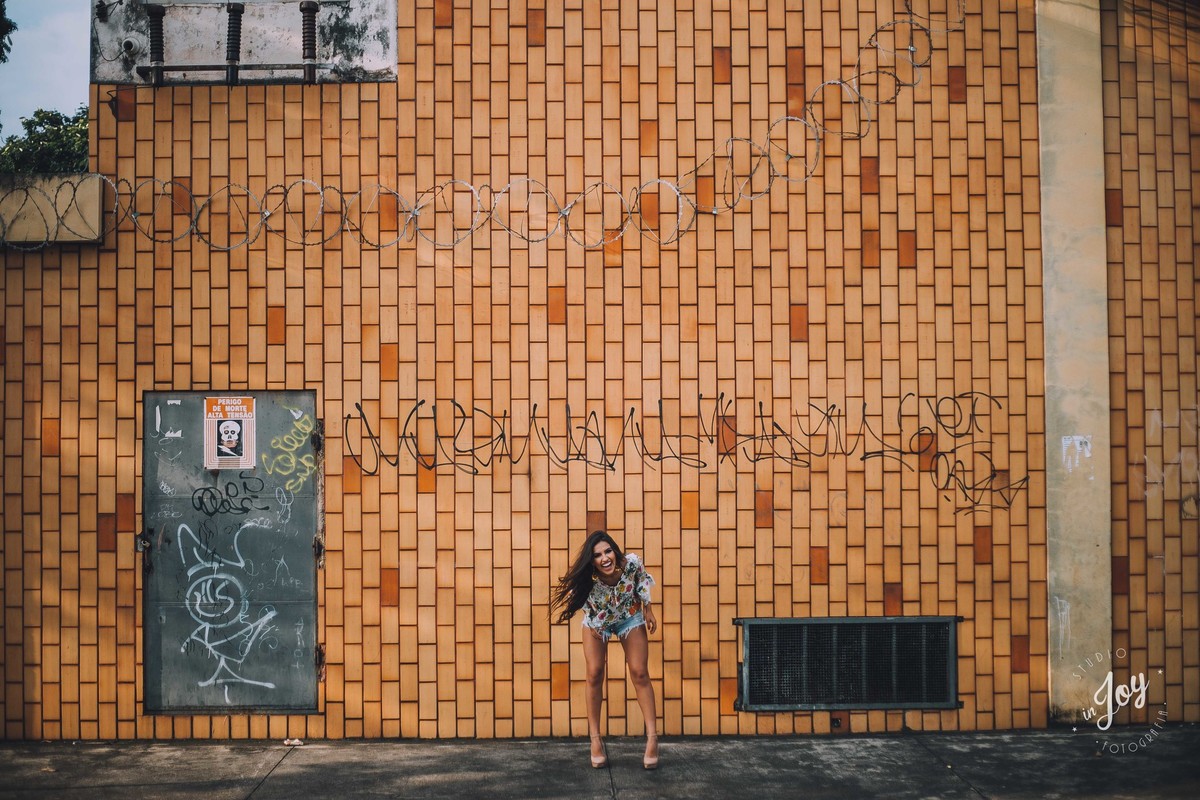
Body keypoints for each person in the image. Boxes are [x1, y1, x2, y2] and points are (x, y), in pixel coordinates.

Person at [550, 530, 659, 770]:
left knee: (640, 672)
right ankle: (595, 740)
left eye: (607, 551)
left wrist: (648, 610)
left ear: (614, 550)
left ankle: (652, 738)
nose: (604, 558)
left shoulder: (631, 563)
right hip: (597, 621)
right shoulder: (588, 579)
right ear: (592, 561)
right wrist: (595, 621)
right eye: (598, 555)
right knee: (595, 673)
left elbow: (641, 580)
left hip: (629, 617)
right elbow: (581, 601)